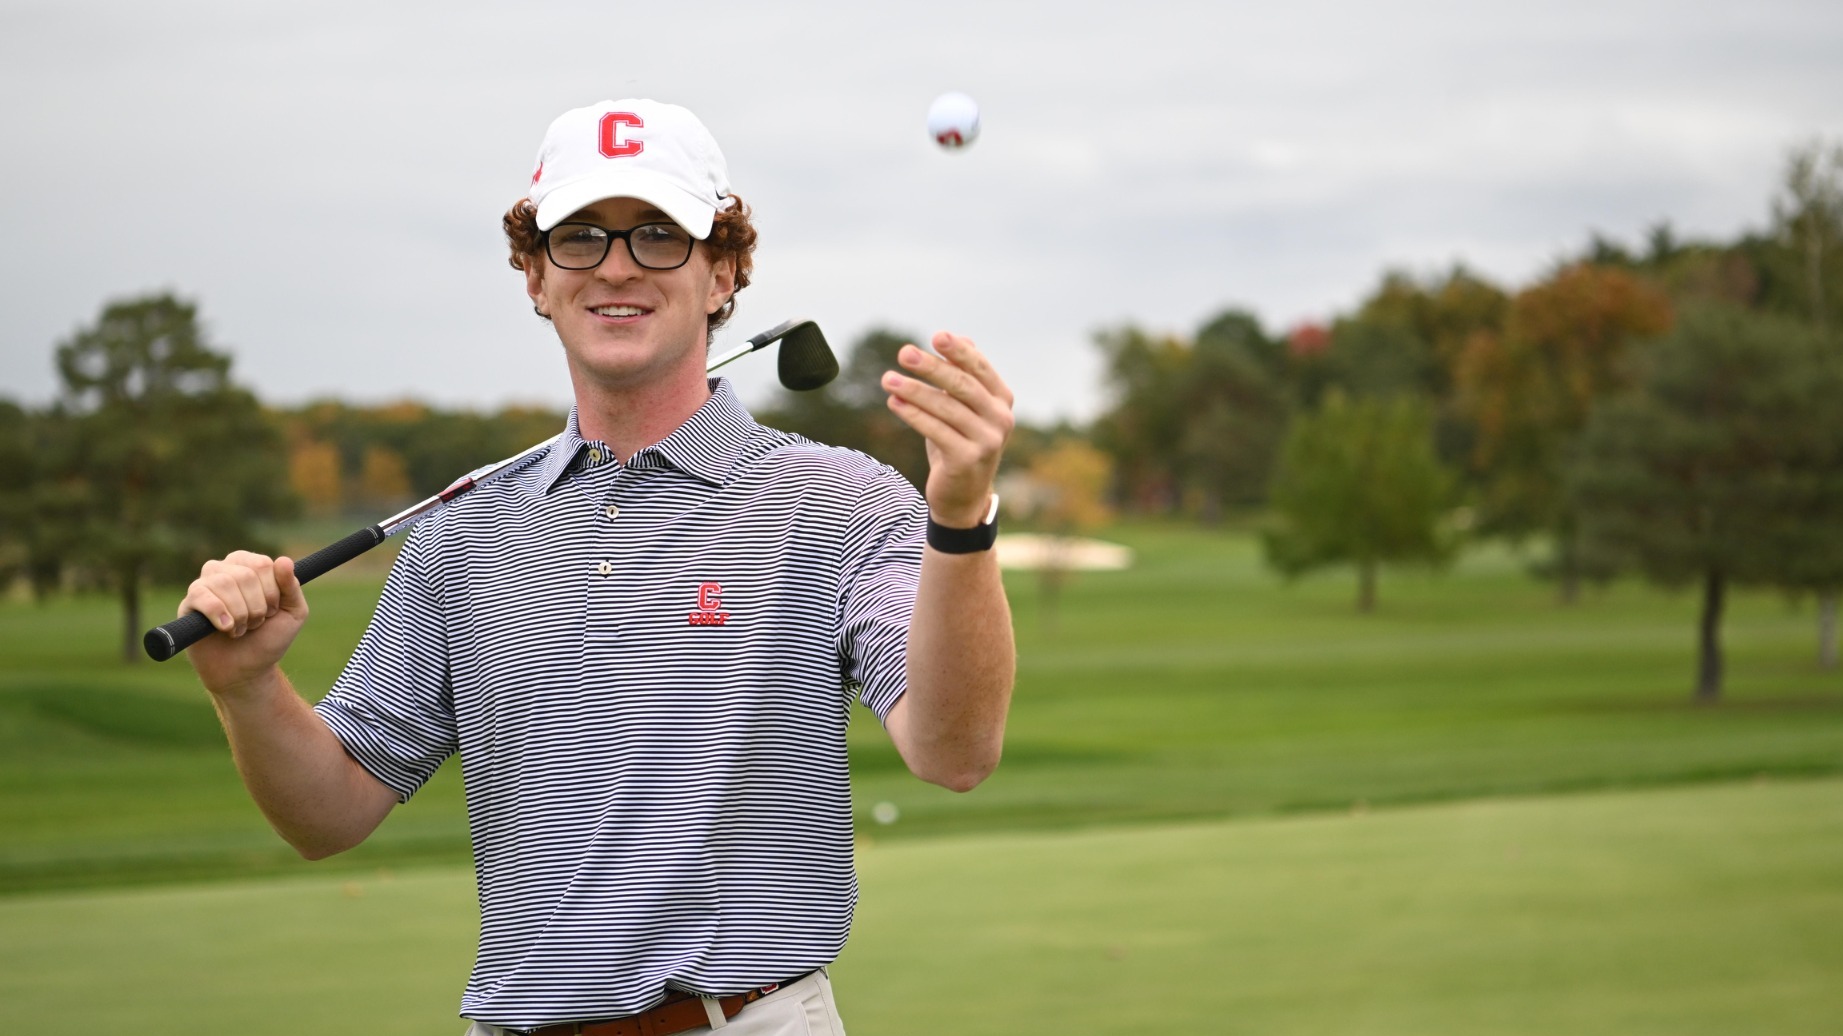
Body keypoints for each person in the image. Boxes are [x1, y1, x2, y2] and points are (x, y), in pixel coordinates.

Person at [177, 98, 1016, 1035]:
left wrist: (959, 520)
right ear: (536, 276)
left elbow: (953, 752)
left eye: (658, 235)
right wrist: (249, 689)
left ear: (724, 271)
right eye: (578, 238)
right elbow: (327, 815)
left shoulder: (839, 502)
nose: (616, 266)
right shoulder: (464, 533)